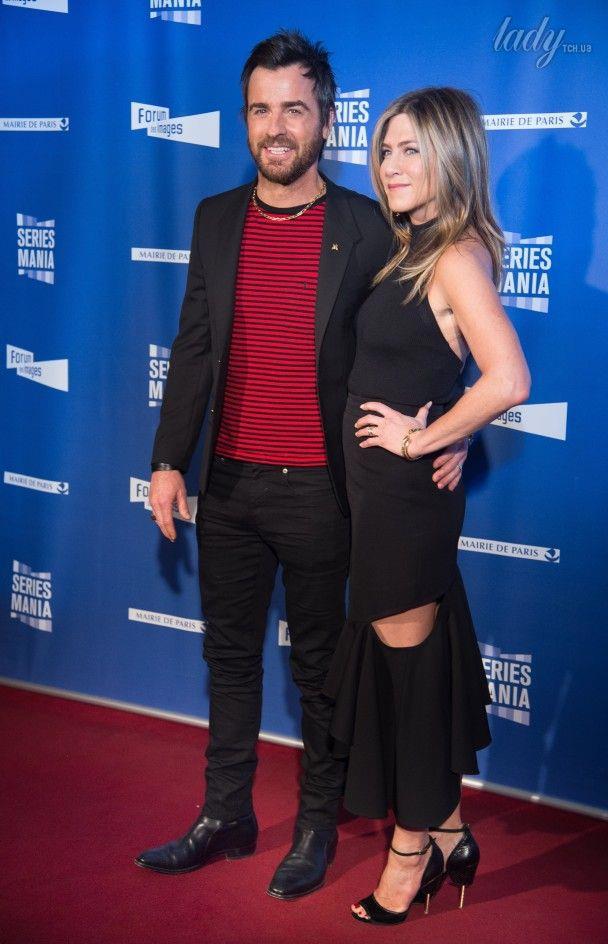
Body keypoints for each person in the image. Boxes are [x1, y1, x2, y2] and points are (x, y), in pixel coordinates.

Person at [134, 33, 469, 901]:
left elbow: (430, 335)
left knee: (321, 670)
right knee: (229, 658)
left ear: (325, 119)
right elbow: (193, 348)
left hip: (325, 489)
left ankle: (318, 826)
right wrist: (169, 461)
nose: (275, 126)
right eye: (259, 109)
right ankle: (226, 814)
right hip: (229, 485)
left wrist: (455, 429)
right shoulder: (215, 219)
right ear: (244, 121)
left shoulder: (370, 227)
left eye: (293, 108)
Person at [322, 86, 531, 924]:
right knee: (406, 672)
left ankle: (409, 859)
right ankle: (449, 831)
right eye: (385, 148)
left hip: (404, 503)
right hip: (384, 501)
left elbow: (508, 378)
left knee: (406, 687)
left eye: (411, 148)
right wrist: (453, 427)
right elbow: (444, 366)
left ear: (452, 155)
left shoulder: (452, 257)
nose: (390, 164)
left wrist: (425, 439)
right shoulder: (424, 243)